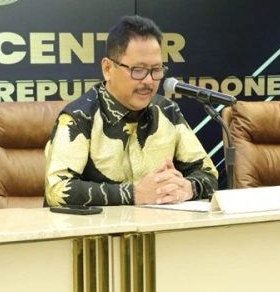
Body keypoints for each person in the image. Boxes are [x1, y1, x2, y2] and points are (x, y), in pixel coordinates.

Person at [44, 15, 218, 207]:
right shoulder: (79, 117)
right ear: (108, 68)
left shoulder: (167, 111)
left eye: (156, 70)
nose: (149, 81)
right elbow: (57, 189)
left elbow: (209, 173)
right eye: (138, 70)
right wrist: (134, 194)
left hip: (157, 230)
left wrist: (186, 188)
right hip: (96, 233)